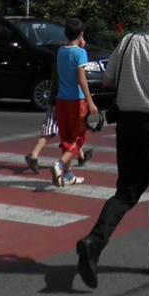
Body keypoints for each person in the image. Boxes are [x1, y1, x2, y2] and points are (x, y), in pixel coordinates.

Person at [75, 1, 149, 287]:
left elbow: (109, 79)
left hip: (127, 128)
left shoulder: (127, 42)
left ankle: (94, 241)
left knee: (126, 192)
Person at [49, 18, 98, 188]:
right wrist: (90, 102)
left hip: (61, 100)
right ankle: (60, 165)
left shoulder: (61, 51)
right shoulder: (80, 53)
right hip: (76, 101)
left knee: (67, 137)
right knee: (78, 138)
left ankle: (68, 175)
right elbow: (81, 79)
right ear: (81, 34)